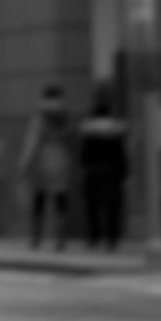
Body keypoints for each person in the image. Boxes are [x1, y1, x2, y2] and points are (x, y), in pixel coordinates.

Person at [20, 85, 75, 251]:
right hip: (62, 161)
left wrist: (24, 165)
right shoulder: (65, 116)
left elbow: (32, 143)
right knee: (61, 203)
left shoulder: (40, 117)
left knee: (39, 202)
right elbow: (72, 140)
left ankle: (36, 238)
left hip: (42, 162)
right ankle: (61, 240)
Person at [77, 90, 129, 251]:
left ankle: (95, 237)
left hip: (94, 172)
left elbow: (84, 156)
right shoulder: (115, 130)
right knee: (112, 207)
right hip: (112, 172)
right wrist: (123, 171)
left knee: (93, 207)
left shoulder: (89, 132)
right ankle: (112, 238)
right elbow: (121, 154)